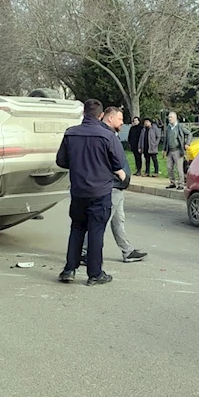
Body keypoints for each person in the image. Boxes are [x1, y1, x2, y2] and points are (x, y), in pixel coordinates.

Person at [56, 99, 126, 286]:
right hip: (100, 191)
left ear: (83, 113)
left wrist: (78, 163)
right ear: (101, 115)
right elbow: (118, 163)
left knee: (77, 229)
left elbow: (61, 161)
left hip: (78, 190)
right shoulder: (107, 136)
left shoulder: (71, 133)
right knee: (96, 232)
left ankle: (69, 269)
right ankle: (94, 273)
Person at [81, 107, 148, 264]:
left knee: (118, 220)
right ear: (110, 118)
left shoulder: (110, 134)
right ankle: (84, 252)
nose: (123, 122)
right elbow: (104, 160)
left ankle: (127, 250)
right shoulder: (104, 135)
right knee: (100, 222)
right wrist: (118, 173)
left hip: (118, 186)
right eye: (120, 119)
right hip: (110, 186)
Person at [165, 111, 192, 190]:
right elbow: (166, 139)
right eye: (169, 117)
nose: (169, 119)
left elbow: (189, 134)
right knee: (169, 167)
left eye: (171, 117)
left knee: (179, 168)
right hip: (170, 150)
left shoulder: (180, 126)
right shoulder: (168, 127)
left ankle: (181, 183)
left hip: (177, 150)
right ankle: (172, 182)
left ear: (175, 118)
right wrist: (164, 149)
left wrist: (187, 143)